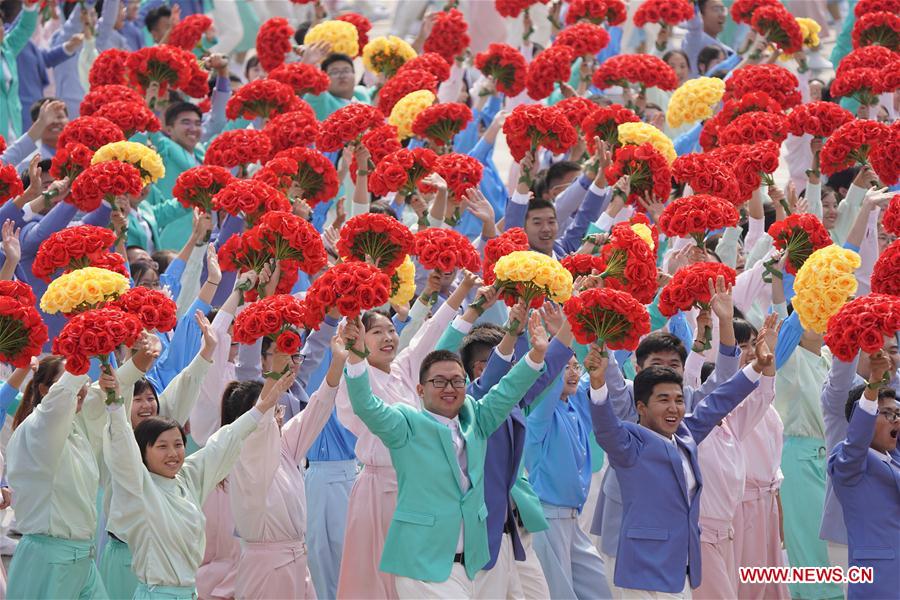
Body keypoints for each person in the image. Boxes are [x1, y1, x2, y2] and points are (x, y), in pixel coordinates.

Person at [343, 310, 548, 598]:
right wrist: (355, 356)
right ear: (420, 389)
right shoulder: (406, 424)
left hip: (475, 566)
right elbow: (366, 405)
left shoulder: (477, 417)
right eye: (438, 381)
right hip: (424, 568)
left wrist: (536, 354)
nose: (449, 388)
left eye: (456, 381)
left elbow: (508, 390)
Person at [585, 319, 773, 597]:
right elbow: (605, 427)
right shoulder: (628, 445)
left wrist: (757, 366)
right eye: (663, 400)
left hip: (681, 563)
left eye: (678, 400)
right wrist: (598, 383)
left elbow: (720, 400)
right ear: (641, 407)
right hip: (643, 565)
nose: (673, 408)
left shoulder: (686, 435)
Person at [102, 362, 293, 599]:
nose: (173, 453)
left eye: (178, 444)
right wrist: (115, 404)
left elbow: (225, 440)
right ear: (143, 452)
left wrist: (263, 407)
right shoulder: (139, 486)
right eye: (162, 446)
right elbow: (121, 446)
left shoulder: (188, 479)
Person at [828, 356, 899, 600]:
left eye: (898, 413)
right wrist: (874, 384)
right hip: (877, 582)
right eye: (887, 413)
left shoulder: (894, 457)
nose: (895, 419)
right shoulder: (848, 461)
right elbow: (856, 442)